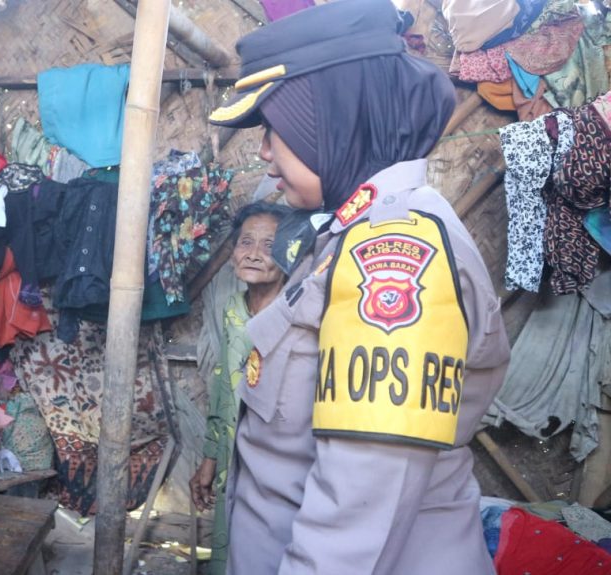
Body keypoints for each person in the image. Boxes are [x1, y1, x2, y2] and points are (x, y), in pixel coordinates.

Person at [206, 1, 511, 573]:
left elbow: (355, 527)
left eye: (274, 129)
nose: (265, 152)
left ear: (330, 121)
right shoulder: (349, 234)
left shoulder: (395, 256)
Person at [190, 202, 292, 575]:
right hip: (231, 464)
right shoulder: (234, 309)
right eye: (245, 242)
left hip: (277, 470)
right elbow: (223, 390)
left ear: (289, 253)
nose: (252, 253)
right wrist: (209, 459)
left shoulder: (297, 318)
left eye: (268, 245)